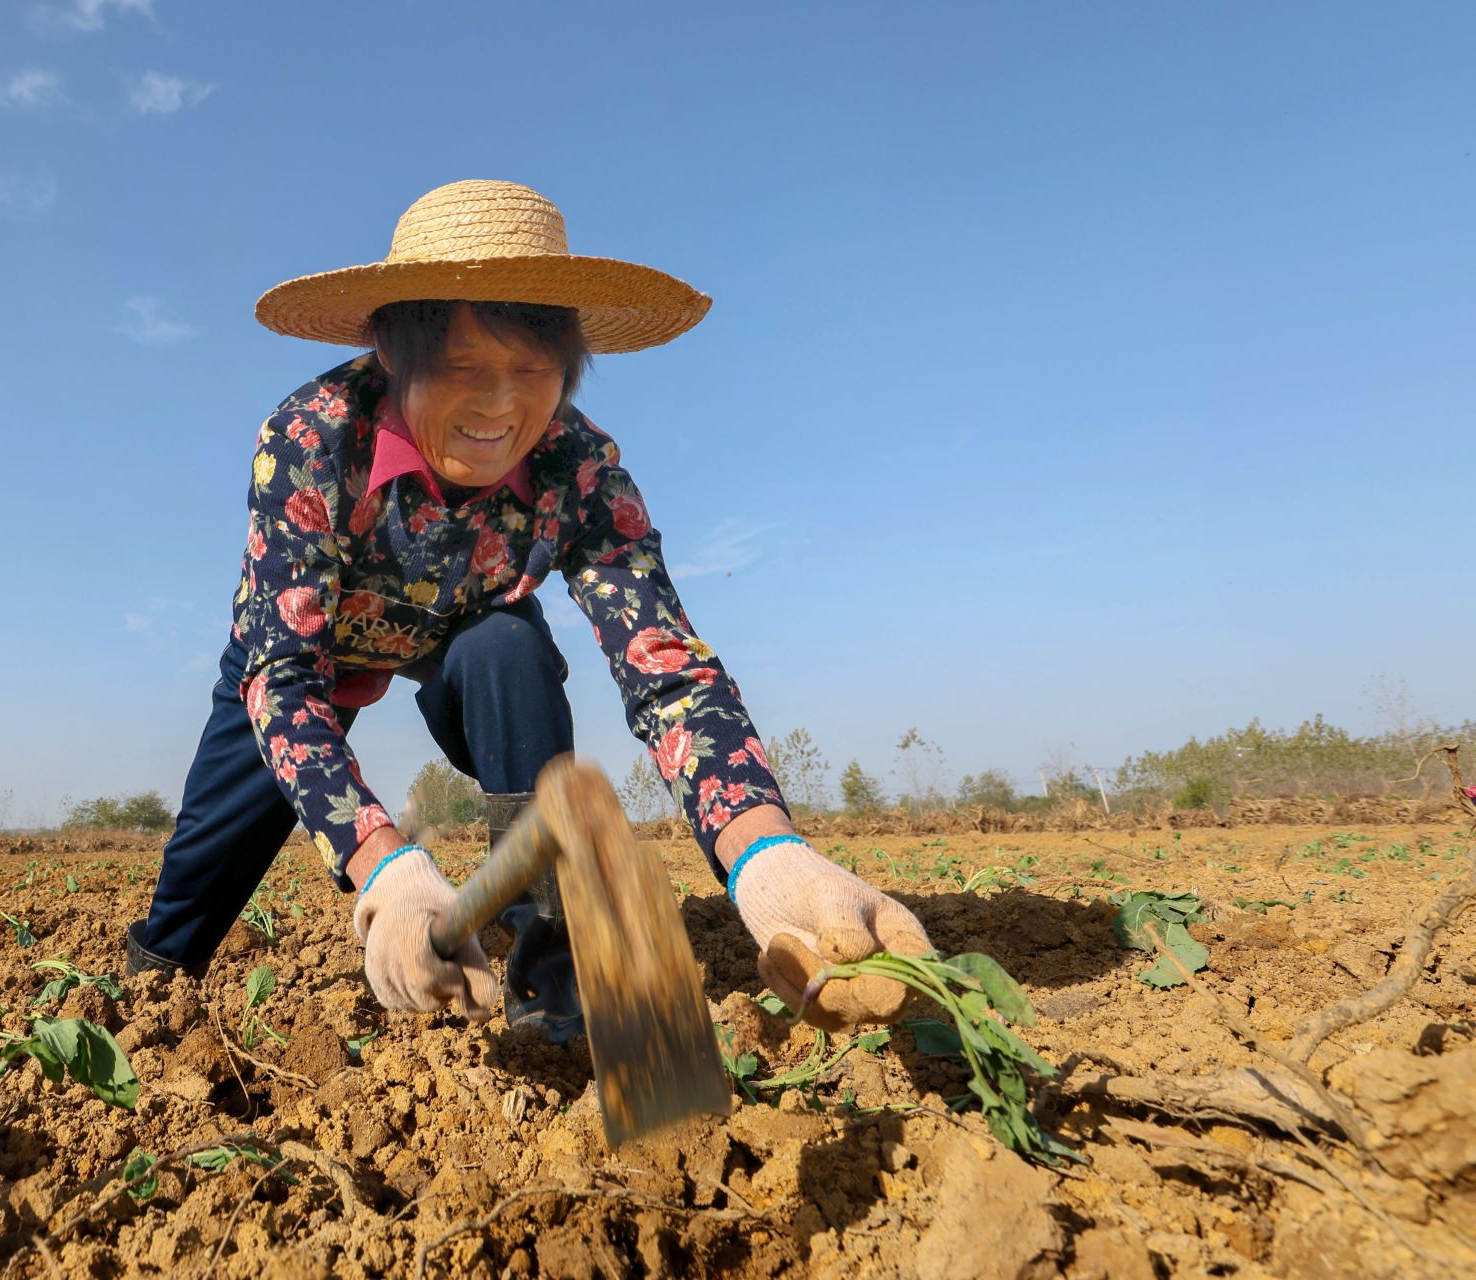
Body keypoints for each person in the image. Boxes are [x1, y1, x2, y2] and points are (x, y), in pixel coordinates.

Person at [128, 180, 930, 1037]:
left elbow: (666, 667)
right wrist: (386, 869)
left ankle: (557, 979)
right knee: (209, 859)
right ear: (395, 360)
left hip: (462, 629)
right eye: (462, 368)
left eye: (532, 370)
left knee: (508, 646)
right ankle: (146, 988)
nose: (500, 405)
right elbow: (282, 677)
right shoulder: (313, 440)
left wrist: (767, 853)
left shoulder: (578, 466)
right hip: (304, 653)